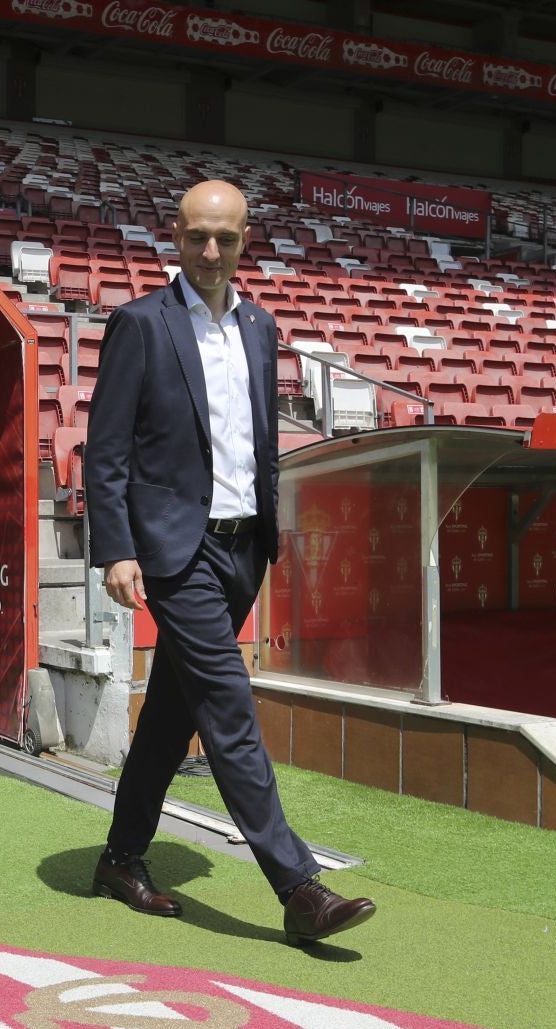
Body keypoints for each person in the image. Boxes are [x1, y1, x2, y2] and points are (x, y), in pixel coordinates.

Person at [83, 179, 376, 947]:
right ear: (173, 238)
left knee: (173, 716)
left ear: (248, 240)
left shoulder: (261, 327)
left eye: (227, 239)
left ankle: (119, 859)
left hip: (245, 548)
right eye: (196, 238)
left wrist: (272, 534)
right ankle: (298, 886)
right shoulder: (139, 325)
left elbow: (257, 445)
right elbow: (106, 449)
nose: (210, 252)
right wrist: (115, 547)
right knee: (229, 710)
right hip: (178, 551)